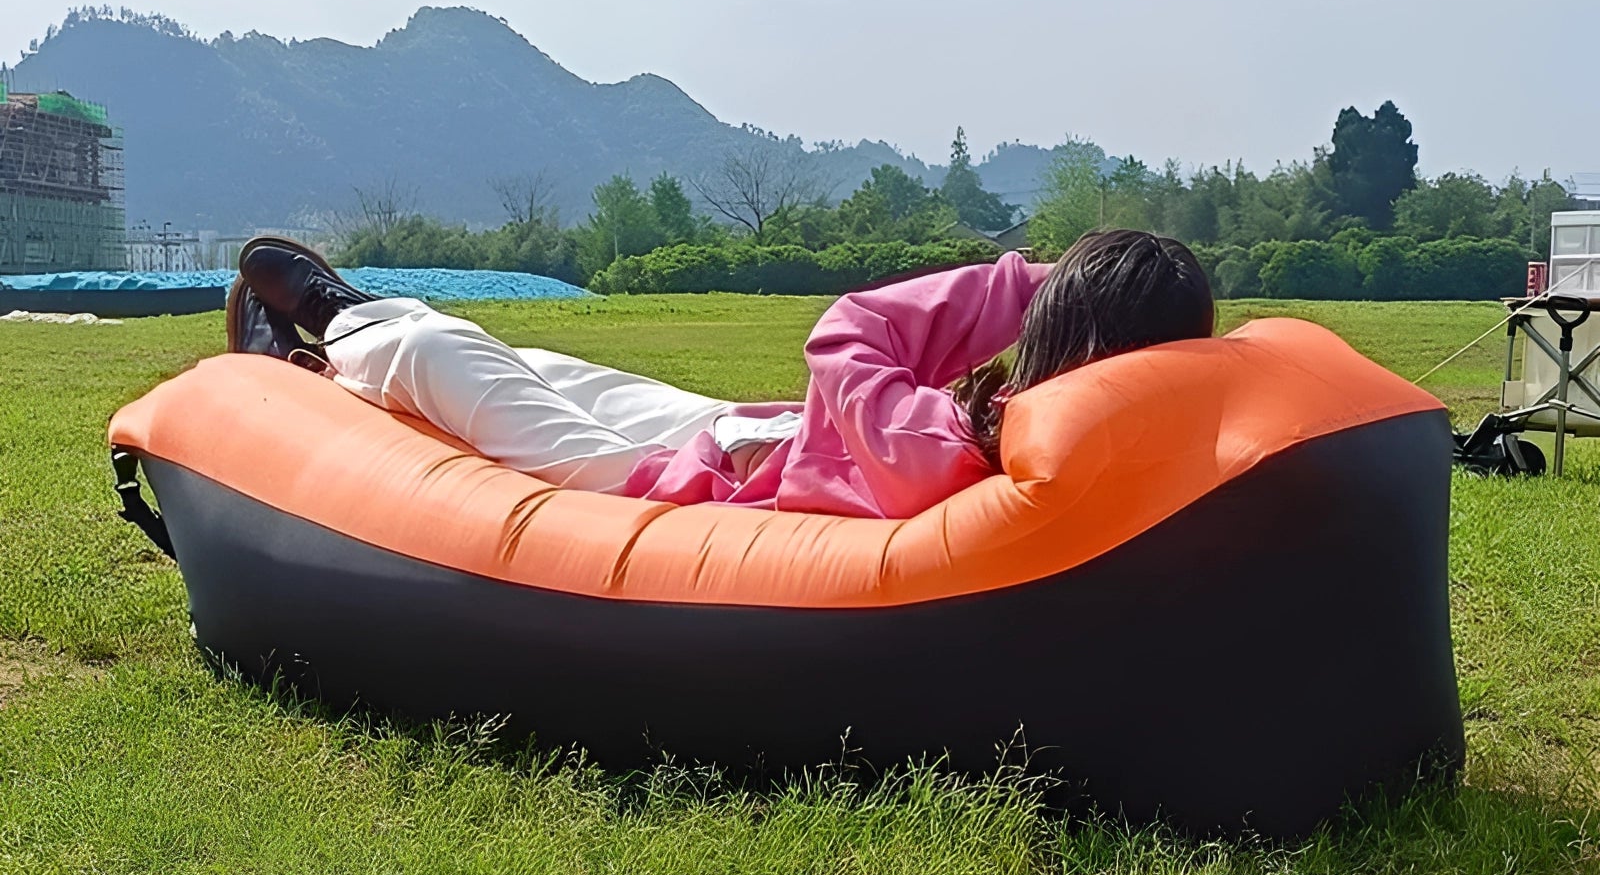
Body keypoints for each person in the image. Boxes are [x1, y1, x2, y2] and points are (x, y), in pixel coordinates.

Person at [226, 228, 1215, 520]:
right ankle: (348, 340)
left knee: (447, 361)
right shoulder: (1034, 436)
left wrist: (1031, 285)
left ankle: (334, 318)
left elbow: (851, 328)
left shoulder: (946, 448)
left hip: (680, 478)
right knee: (537, 363)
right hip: (754, 438)